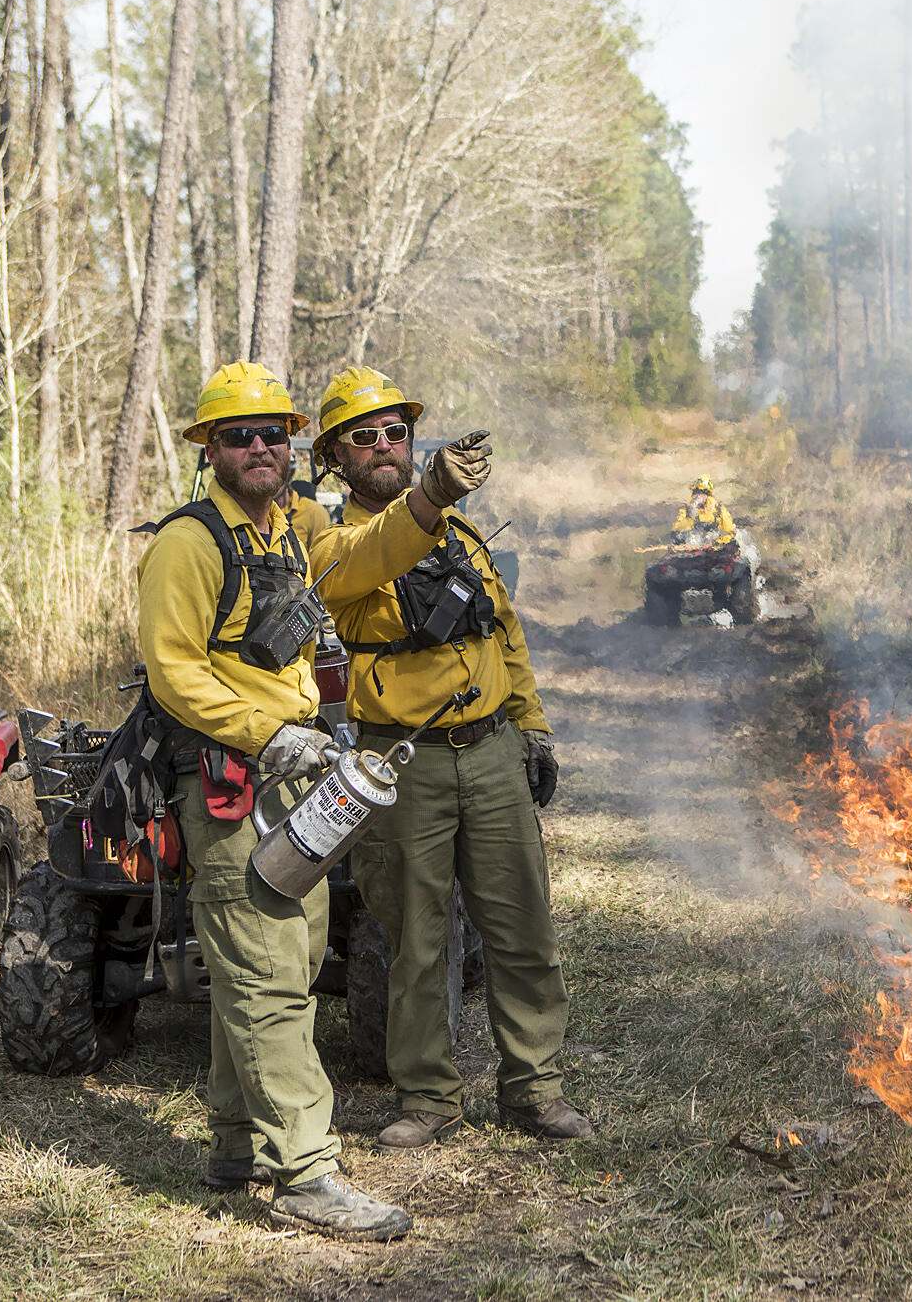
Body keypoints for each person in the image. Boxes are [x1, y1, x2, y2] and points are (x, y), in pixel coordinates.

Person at [135, 361, 411, 1241]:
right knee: (265, 971)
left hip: (294, 775)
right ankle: (304, 1169)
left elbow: (366, 553)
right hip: (230, 782)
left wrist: (429, 490)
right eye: (238, 435)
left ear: (292, 445)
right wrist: (267, 733)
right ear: (208, 448)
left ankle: (233, 1143)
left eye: (272, 433)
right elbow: (173, 669)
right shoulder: (188, 543)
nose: (259, 447)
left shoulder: (288, 529)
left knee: (287, 956)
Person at [308, 365, 590, 1149]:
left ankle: (535, 1087)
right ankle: (428, 1098)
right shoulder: (328, 542)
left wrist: (532, 727)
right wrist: (428, 495)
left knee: (522, 926)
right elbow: (377, 552)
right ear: (335, 457)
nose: (384, 445)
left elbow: (505, 633)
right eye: (363, 437)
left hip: (492, 748)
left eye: (395, 431)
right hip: (403, 764)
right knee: (416, 940)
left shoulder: (461, 534)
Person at [672, 474, 735, 547]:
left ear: (708, 495)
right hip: (692, 550)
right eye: (696, 492)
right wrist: (690, 516)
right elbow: (676, 530)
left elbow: (730, 532)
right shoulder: (686, 510)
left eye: (702, 492)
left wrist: (718, 542)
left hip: (715, 550)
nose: (698, 495)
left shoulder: (718, 509)